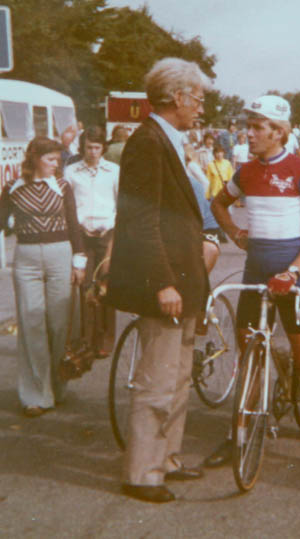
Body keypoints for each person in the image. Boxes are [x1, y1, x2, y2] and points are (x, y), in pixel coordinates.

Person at [206, 94, 300, 478]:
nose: (248, 133)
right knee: (250, 354)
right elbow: (218, 204)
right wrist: (234, 231)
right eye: (248, 126)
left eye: (256, 127)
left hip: (298, 281)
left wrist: (294, 272)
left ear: (279, 132)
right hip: (255, 278)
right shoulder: (246, 172)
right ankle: (240, 431)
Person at [106, 58, 212, 503]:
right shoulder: (148, 143)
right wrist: (163, 282)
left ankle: (167, 458)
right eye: (199, 99)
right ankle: (143, 472)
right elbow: (141, 221)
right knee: (157, 379)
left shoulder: (166, 140)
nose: (201, 108)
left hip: (184, 280)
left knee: (179, 377)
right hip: (167, 283)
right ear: (178, 97)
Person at [0, 136, 86, 417]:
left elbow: (74, 225)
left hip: (60, 254)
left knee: (59, 323)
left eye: (58, 159)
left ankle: (57, 384)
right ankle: (35, 395)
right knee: (31, 323)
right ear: (36, 159)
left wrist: (79, 261)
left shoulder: (63, 186)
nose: (56, 164)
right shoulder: (13, 188)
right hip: (25, 258)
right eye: (51, 159)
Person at [64, 126, 119, 359]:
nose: (93, 152)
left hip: (107, 233)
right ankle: (86, 339)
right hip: (82, 233)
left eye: (97, 147)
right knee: (85, 285)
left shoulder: (114, 171)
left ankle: (104, 339)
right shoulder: (71, 171)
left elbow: (120, 202)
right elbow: (68, 204)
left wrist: (111, 226)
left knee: (105, 285)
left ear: (103, 148)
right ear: (82, 146)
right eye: (89, 147)